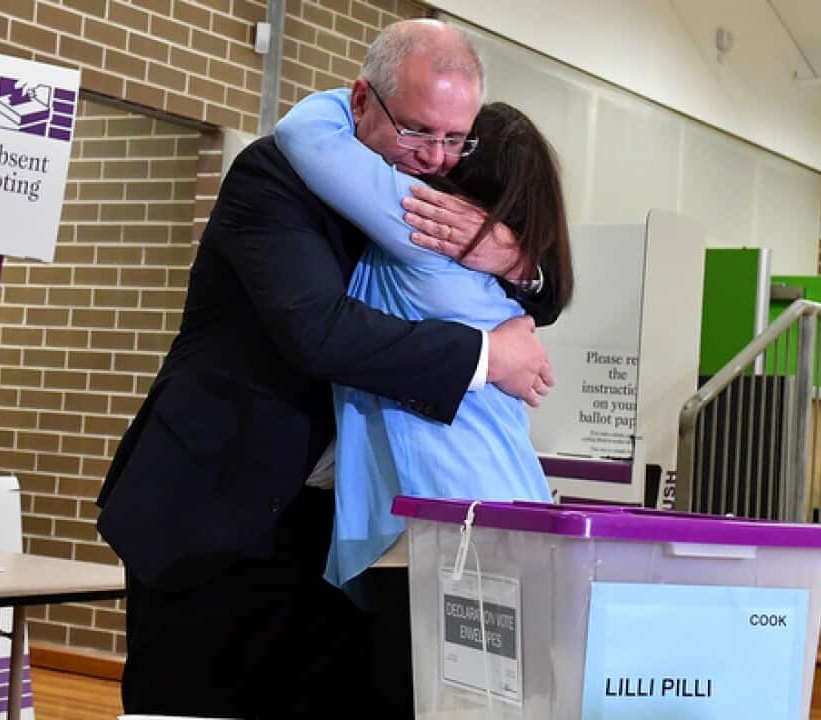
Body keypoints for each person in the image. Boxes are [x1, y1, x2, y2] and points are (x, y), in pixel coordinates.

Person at [97, 18, 558, 718]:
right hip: (222, 510)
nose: (438, 158)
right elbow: (318, 332)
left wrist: (514, 256)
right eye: (418, 132)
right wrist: (490, 357)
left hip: (332, 528)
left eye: (454, 138)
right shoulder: (275, 178)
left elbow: (544, 286)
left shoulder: (429, 197)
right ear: (362, 101)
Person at [275, 91, 574, 710]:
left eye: (452, 141)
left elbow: (304, 130)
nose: (432, 153)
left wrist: (372, 96)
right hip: (501, 510)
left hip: (440, 528)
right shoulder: (497, 272)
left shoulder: (425, 226)